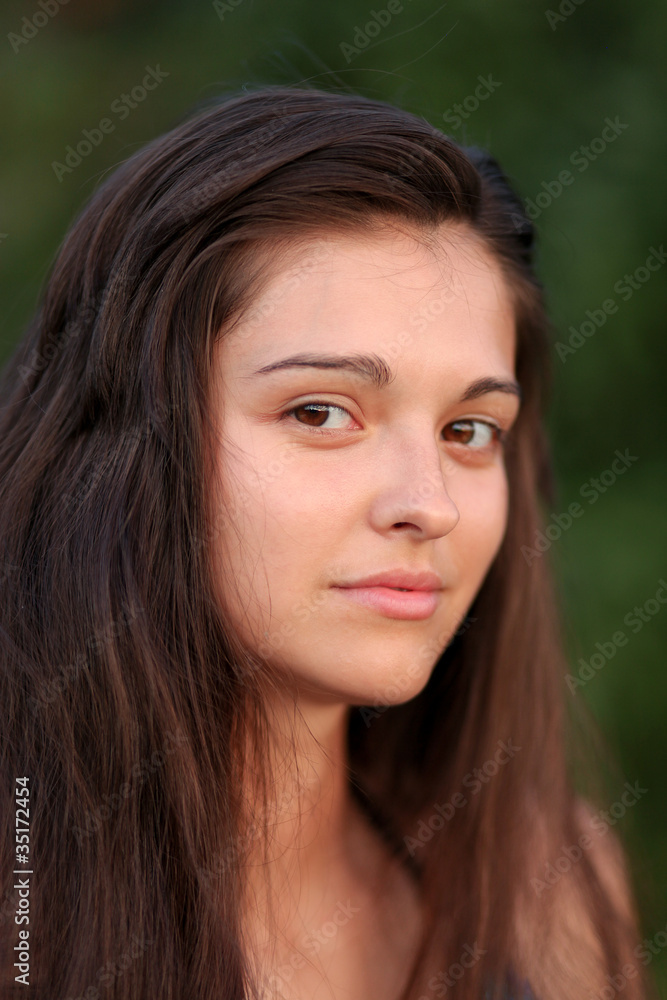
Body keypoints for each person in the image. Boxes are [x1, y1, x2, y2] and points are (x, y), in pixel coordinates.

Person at [0, 85, 653, 1000]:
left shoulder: (547, 895)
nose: (428, 504)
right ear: (120, 446)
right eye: (321, 411)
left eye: (469, 430)